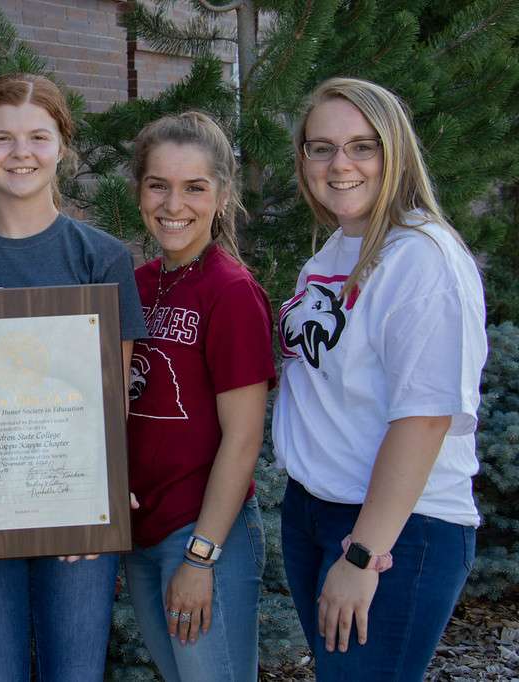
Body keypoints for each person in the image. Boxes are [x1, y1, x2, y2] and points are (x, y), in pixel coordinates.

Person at [0, 72, 147, 681]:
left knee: (75, 672)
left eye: (38, 137)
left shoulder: (101, 257)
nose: (21, 154)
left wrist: (102, 490)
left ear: (62, 144)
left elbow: (111, 395)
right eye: (2, 138)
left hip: (73, 504)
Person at [274, 77, 486, 680]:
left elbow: (423, 418)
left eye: (362, 146)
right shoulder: (333, 253)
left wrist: (364, 555)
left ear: (394, 152)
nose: (340, 164)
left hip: (394, 530)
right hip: (315, 511)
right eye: (322, 147)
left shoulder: (421, 257)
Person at [123, 112, 274, 681]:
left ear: (221, 196)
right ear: (139, 189)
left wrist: (201, 555)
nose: (173, 203)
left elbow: (243, 437)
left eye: (194, 187)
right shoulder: (135, 284)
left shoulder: (230, 290)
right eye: (158, 184)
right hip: (142, 533)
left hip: (203, 532)